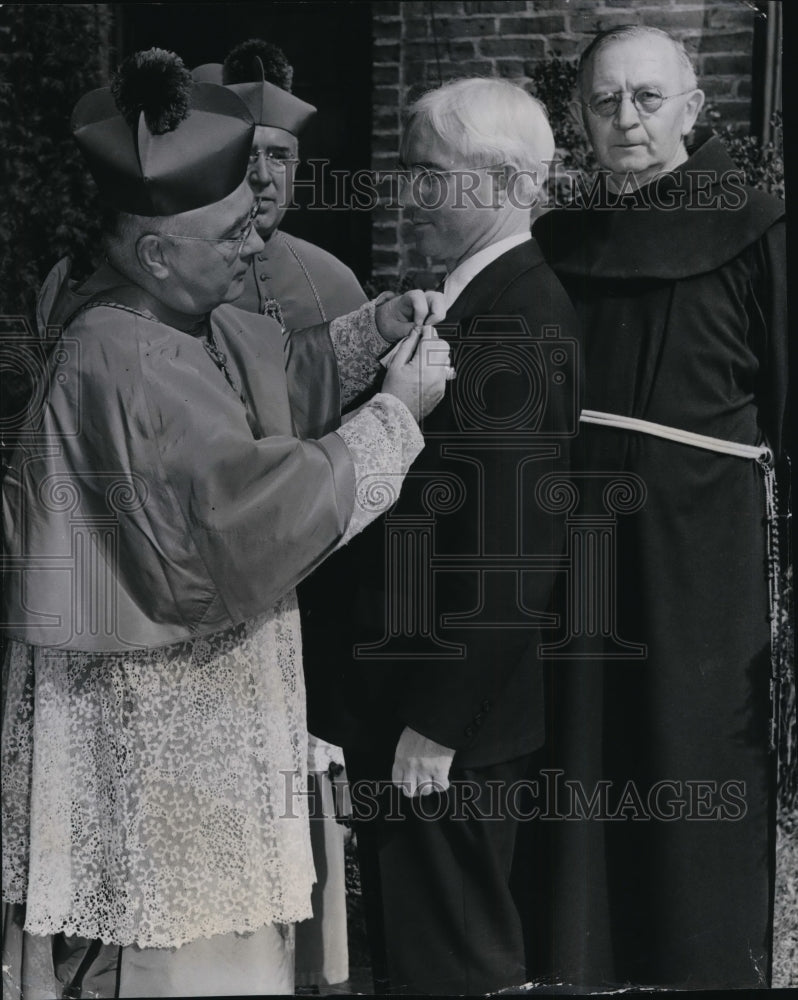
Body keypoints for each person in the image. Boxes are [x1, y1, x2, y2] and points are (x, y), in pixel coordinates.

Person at [1, 48, 451, 999]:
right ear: (157, 249)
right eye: (233, 237)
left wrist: (370, 331)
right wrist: (394, 417)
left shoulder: (157, 313)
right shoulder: (123, 356)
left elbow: (263, 377)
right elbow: (242, 514)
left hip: (187, 679)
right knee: (182, 930)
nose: (255, 250)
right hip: (166, 704)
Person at [531, 24, 788, 991]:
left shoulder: (758, 227)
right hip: (580, 560)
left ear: (691, 107)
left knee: (692, 773)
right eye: (605, 102)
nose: (625, 119)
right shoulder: (558, 243)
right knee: (587, 765)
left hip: (703, 566)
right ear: (581, 118)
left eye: (646, 98)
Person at [329, 78, 580, 995]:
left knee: (454, 965)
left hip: (448, 728)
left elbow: (519, 548)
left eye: (427, 175)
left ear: (505, 182)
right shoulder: (474, 301)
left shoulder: (517, 314)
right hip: (420, 711)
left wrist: (437, 724)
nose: (405, 195)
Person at [194, 38, 368, 989]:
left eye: (281, 158)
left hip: (315, 577)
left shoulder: (333, 283)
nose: (262, 176)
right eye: (245, 153)